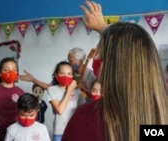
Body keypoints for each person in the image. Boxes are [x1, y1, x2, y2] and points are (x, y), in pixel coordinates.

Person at [62, 1, 168, 141]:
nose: (96, 57)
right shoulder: (160, 114)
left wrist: (105, 30)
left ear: (111, 66)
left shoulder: (86, 119)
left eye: (100, 53)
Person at [0, 57, 24, 141]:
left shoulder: (20, 92)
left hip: (17, 134)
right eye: (6, 69)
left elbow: (25, 114)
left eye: (14, 69)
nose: (10, 72)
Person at [46, 61, 80, 141]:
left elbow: (83, 111)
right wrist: (69, 91)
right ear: (56, 75)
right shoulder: (52, 90)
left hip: (75, 131)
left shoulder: (77, 92)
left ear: (72, 76)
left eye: (69, 74)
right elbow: (60, 110)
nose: (65, 76)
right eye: (62, 73)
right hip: (59, 133)